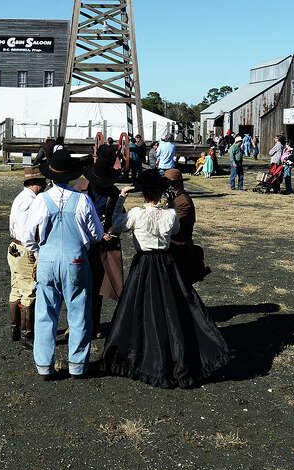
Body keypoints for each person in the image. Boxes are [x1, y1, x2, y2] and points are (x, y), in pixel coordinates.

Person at [100, 172, 230, 388]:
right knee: (173, 309)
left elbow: (116, 224)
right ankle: (174, 351)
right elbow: (176, 229)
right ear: (161, 193)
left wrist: (121, 197)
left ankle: (144, 353)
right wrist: (168, 203)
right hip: (166, 264)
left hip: (144, 264)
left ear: (143, 194)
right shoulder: (170, 215)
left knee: (139, 309)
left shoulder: (136, 214)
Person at [20, 149, 105, 379]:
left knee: (45, 313)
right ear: (72, 175)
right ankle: (77, 365)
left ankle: (44, 365)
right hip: (76, 259)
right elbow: (97, 234)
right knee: (78, 312)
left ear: (50, 176)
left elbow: (27, 235)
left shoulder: (40, 200)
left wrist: (38, 252)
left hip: (47, 259)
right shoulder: (83, 200)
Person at [81, 147, 126, 339]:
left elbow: (120, 219)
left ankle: (94, 323)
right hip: (82, 245)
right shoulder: (80, 189)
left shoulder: (114, 193)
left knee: (98, 285)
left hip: (102, 246)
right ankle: (79, 324)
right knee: (79, 286)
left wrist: (111, 232)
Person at [7, 167, 45, 347]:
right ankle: (27, 334)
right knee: (29, 292)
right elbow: (27, 233)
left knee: (16, 289)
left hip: (14, 247)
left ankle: (15, 328)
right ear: (36, 184)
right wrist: (36, 252)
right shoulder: (30, 202)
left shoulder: (21, 198)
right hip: (24, 249)